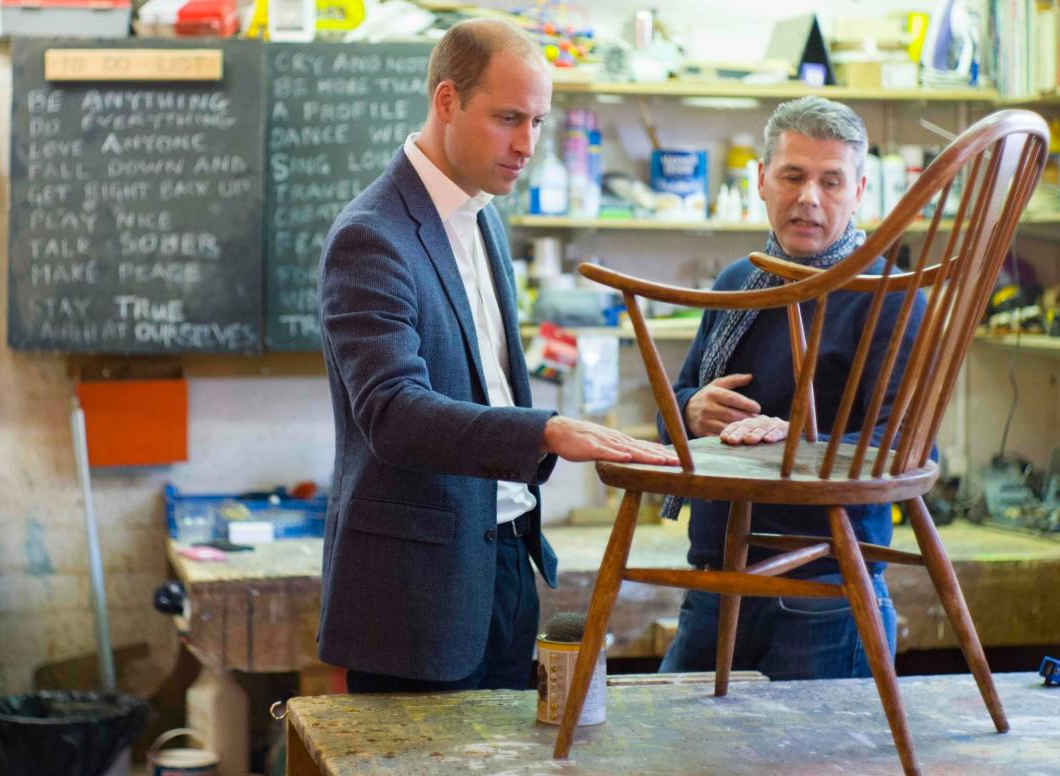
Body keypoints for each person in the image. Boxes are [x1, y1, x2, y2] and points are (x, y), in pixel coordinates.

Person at [317, 18, 677, 694]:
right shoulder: (372, 237)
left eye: (539, 122)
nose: (527, 146)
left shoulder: (483, 215)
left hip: (506, 561)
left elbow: (486, 381)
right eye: (509, 118)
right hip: (416, 593)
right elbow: (392, 412)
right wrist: (541, 430)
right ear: (447, 101)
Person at [658, 96, 926, 681]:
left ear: (859, 192)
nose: (810, 198)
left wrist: (803, 445)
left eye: (831, 182)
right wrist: (692, 408)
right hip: (714, 574)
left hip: (822, 585)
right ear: (760, 180)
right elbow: (671, 412)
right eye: (793, 176)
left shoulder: (891, 296)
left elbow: (908, 446)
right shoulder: (739, 282)